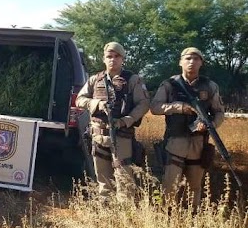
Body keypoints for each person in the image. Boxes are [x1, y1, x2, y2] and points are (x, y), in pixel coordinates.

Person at [150, 47, 224, 208]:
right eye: (188, 58)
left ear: (201, 63)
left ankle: (191, 218)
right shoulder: (169, 84)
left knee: (195, 186)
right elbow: (155, 107)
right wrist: (177, 107)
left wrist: (209, 125)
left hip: (198, 143)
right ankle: (168, 217)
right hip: (175, 142)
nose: (192, 62)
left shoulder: (209, 86)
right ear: (180, 62)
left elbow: (219, 113)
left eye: (196, 59)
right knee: (170, 185)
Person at [76, 42, 150, 200]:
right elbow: (79, 99)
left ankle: (124, 217)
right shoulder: (95, 79)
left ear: (122, 59)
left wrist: (126, 120)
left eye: (117, 56)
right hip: (98, 136)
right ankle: (106, 214)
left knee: (124, 181)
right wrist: (97, 104)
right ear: (104, 59)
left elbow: (143, 104)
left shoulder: (132, 80)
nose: (113, 60)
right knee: (103, 182)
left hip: (121, 135)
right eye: (109, 56)